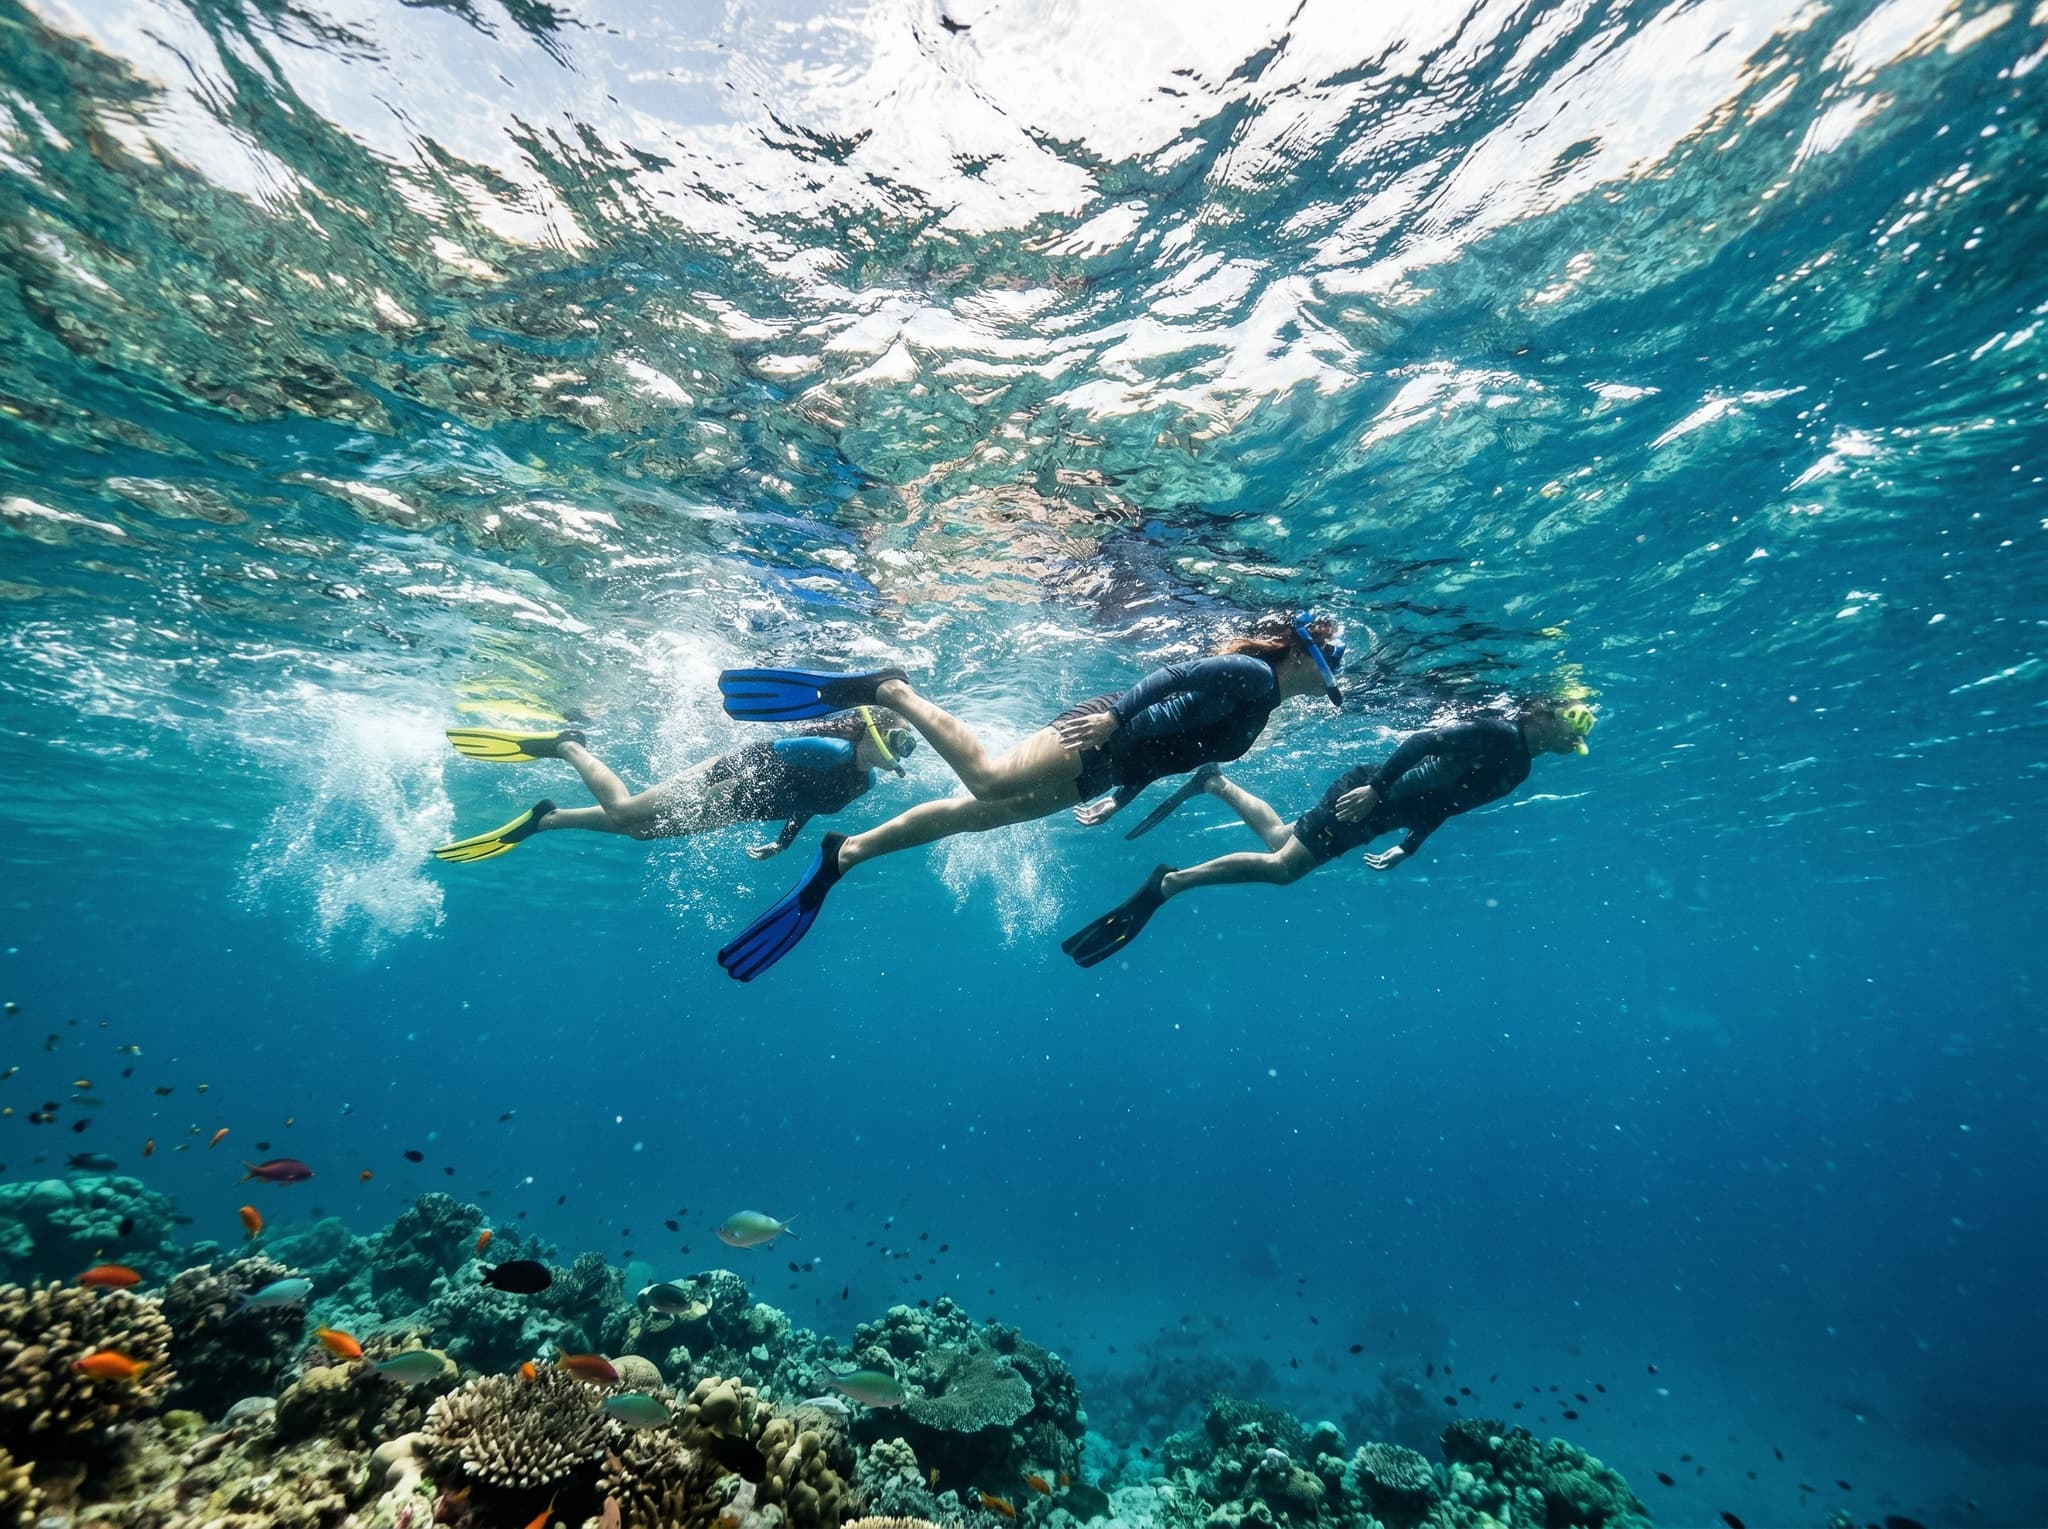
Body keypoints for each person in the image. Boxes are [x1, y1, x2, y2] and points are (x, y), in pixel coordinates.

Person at [711, 612, 1347, 980]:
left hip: (1107, 767)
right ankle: (890, 691)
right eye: (1332, 662)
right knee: (985, 779)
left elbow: (1175, 750)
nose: (1334, 675)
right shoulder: (1254, 672)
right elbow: (1173, 677)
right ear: (1304, 654)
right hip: (1097, 733)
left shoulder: (1261, 710)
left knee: (978, 818)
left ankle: (845, 855)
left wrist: (1121, 797)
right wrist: (1118, 718)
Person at [1061, 699, 1596, 967]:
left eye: (1577, 736)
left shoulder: (1518, 768)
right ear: (1542, 714)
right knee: (1285, 868)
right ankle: (1167, 885)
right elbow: (1421, 743)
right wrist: (1379, 791)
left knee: (1281, 840)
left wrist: (1407, 845)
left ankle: (1216, 783)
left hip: (1381, 812)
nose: (1570, 739)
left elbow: (1451, 804)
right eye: (1569, 725)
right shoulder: (1495, 731)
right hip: (1369, 796)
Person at [429, 706, 917, 864]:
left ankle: (547, 819)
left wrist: (782, 843)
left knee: (640, 831)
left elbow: (809, 803)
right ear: (870, 732)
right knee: (625, 812)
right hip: (720, 783)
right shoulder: (829, 749)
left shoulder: (863, 784)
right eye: (897, 738)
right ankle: (566, 745)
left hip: (741, 808)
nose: (901, 748)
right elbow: (757, 754)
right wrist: (704, 788)